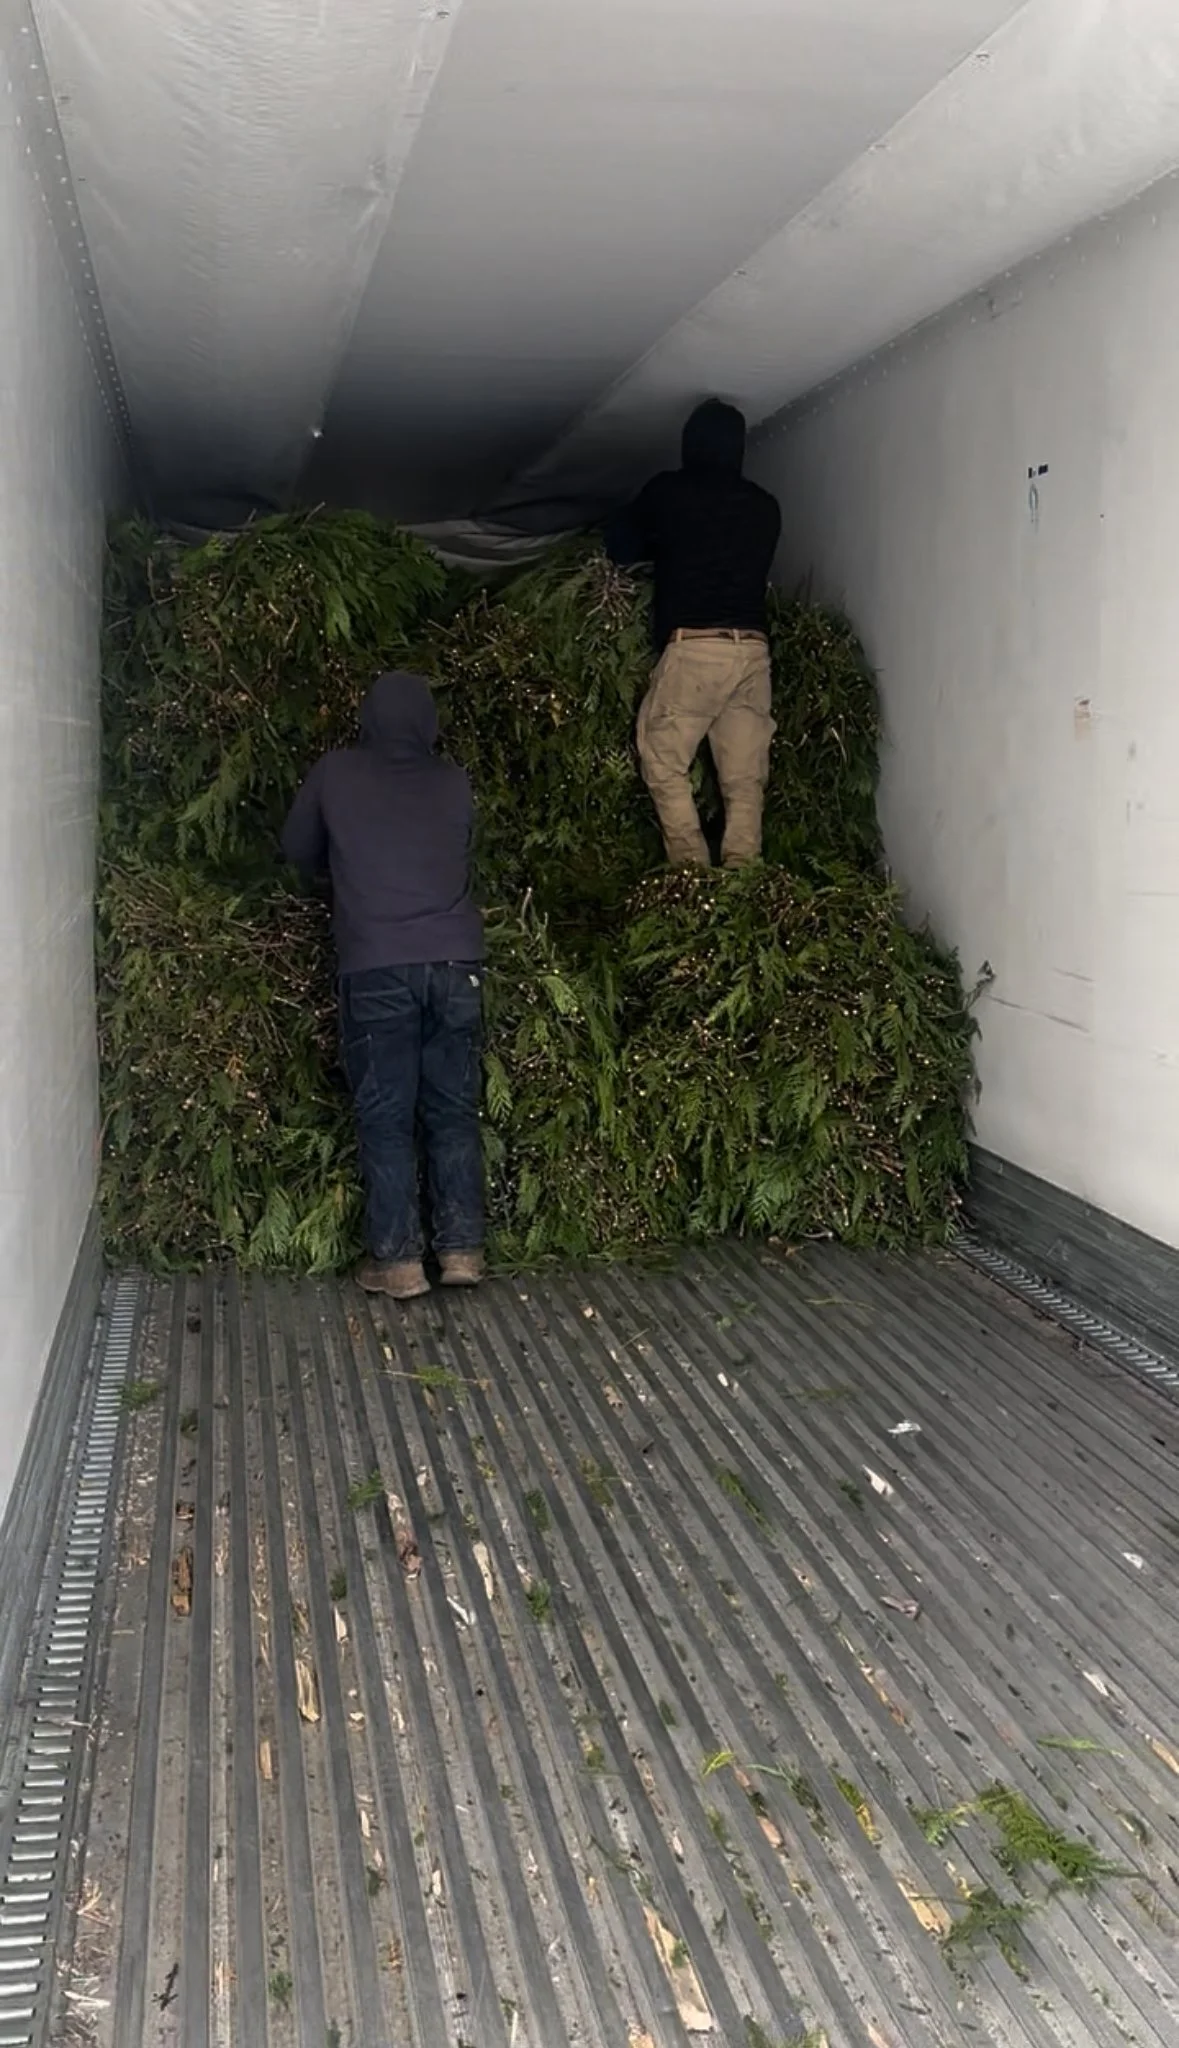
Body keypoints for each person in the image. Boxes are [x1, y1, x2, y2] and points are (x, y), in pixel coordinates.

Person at [281, 671, 485, 1301]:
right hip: (457, 967)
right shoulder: (453, 782)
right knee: (453, 1110)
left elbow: (294, 850)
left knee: (386, 1115)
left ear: (367, 721)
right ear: (428, 727)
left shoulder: (336, 773)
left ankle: (397, 1262)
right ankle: (461, 1250)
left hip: (376, 968)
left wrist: (343, 872)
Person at [606, 398, 782, 867]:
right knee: (744, 777)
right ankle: (742, 881)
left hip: (696, 651)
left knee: (663, 761)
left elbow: (621, 547)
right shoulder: (766, 508)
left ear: (690, 444)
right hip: (753, 653)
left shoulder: (670, 492)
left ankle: (691, 875)